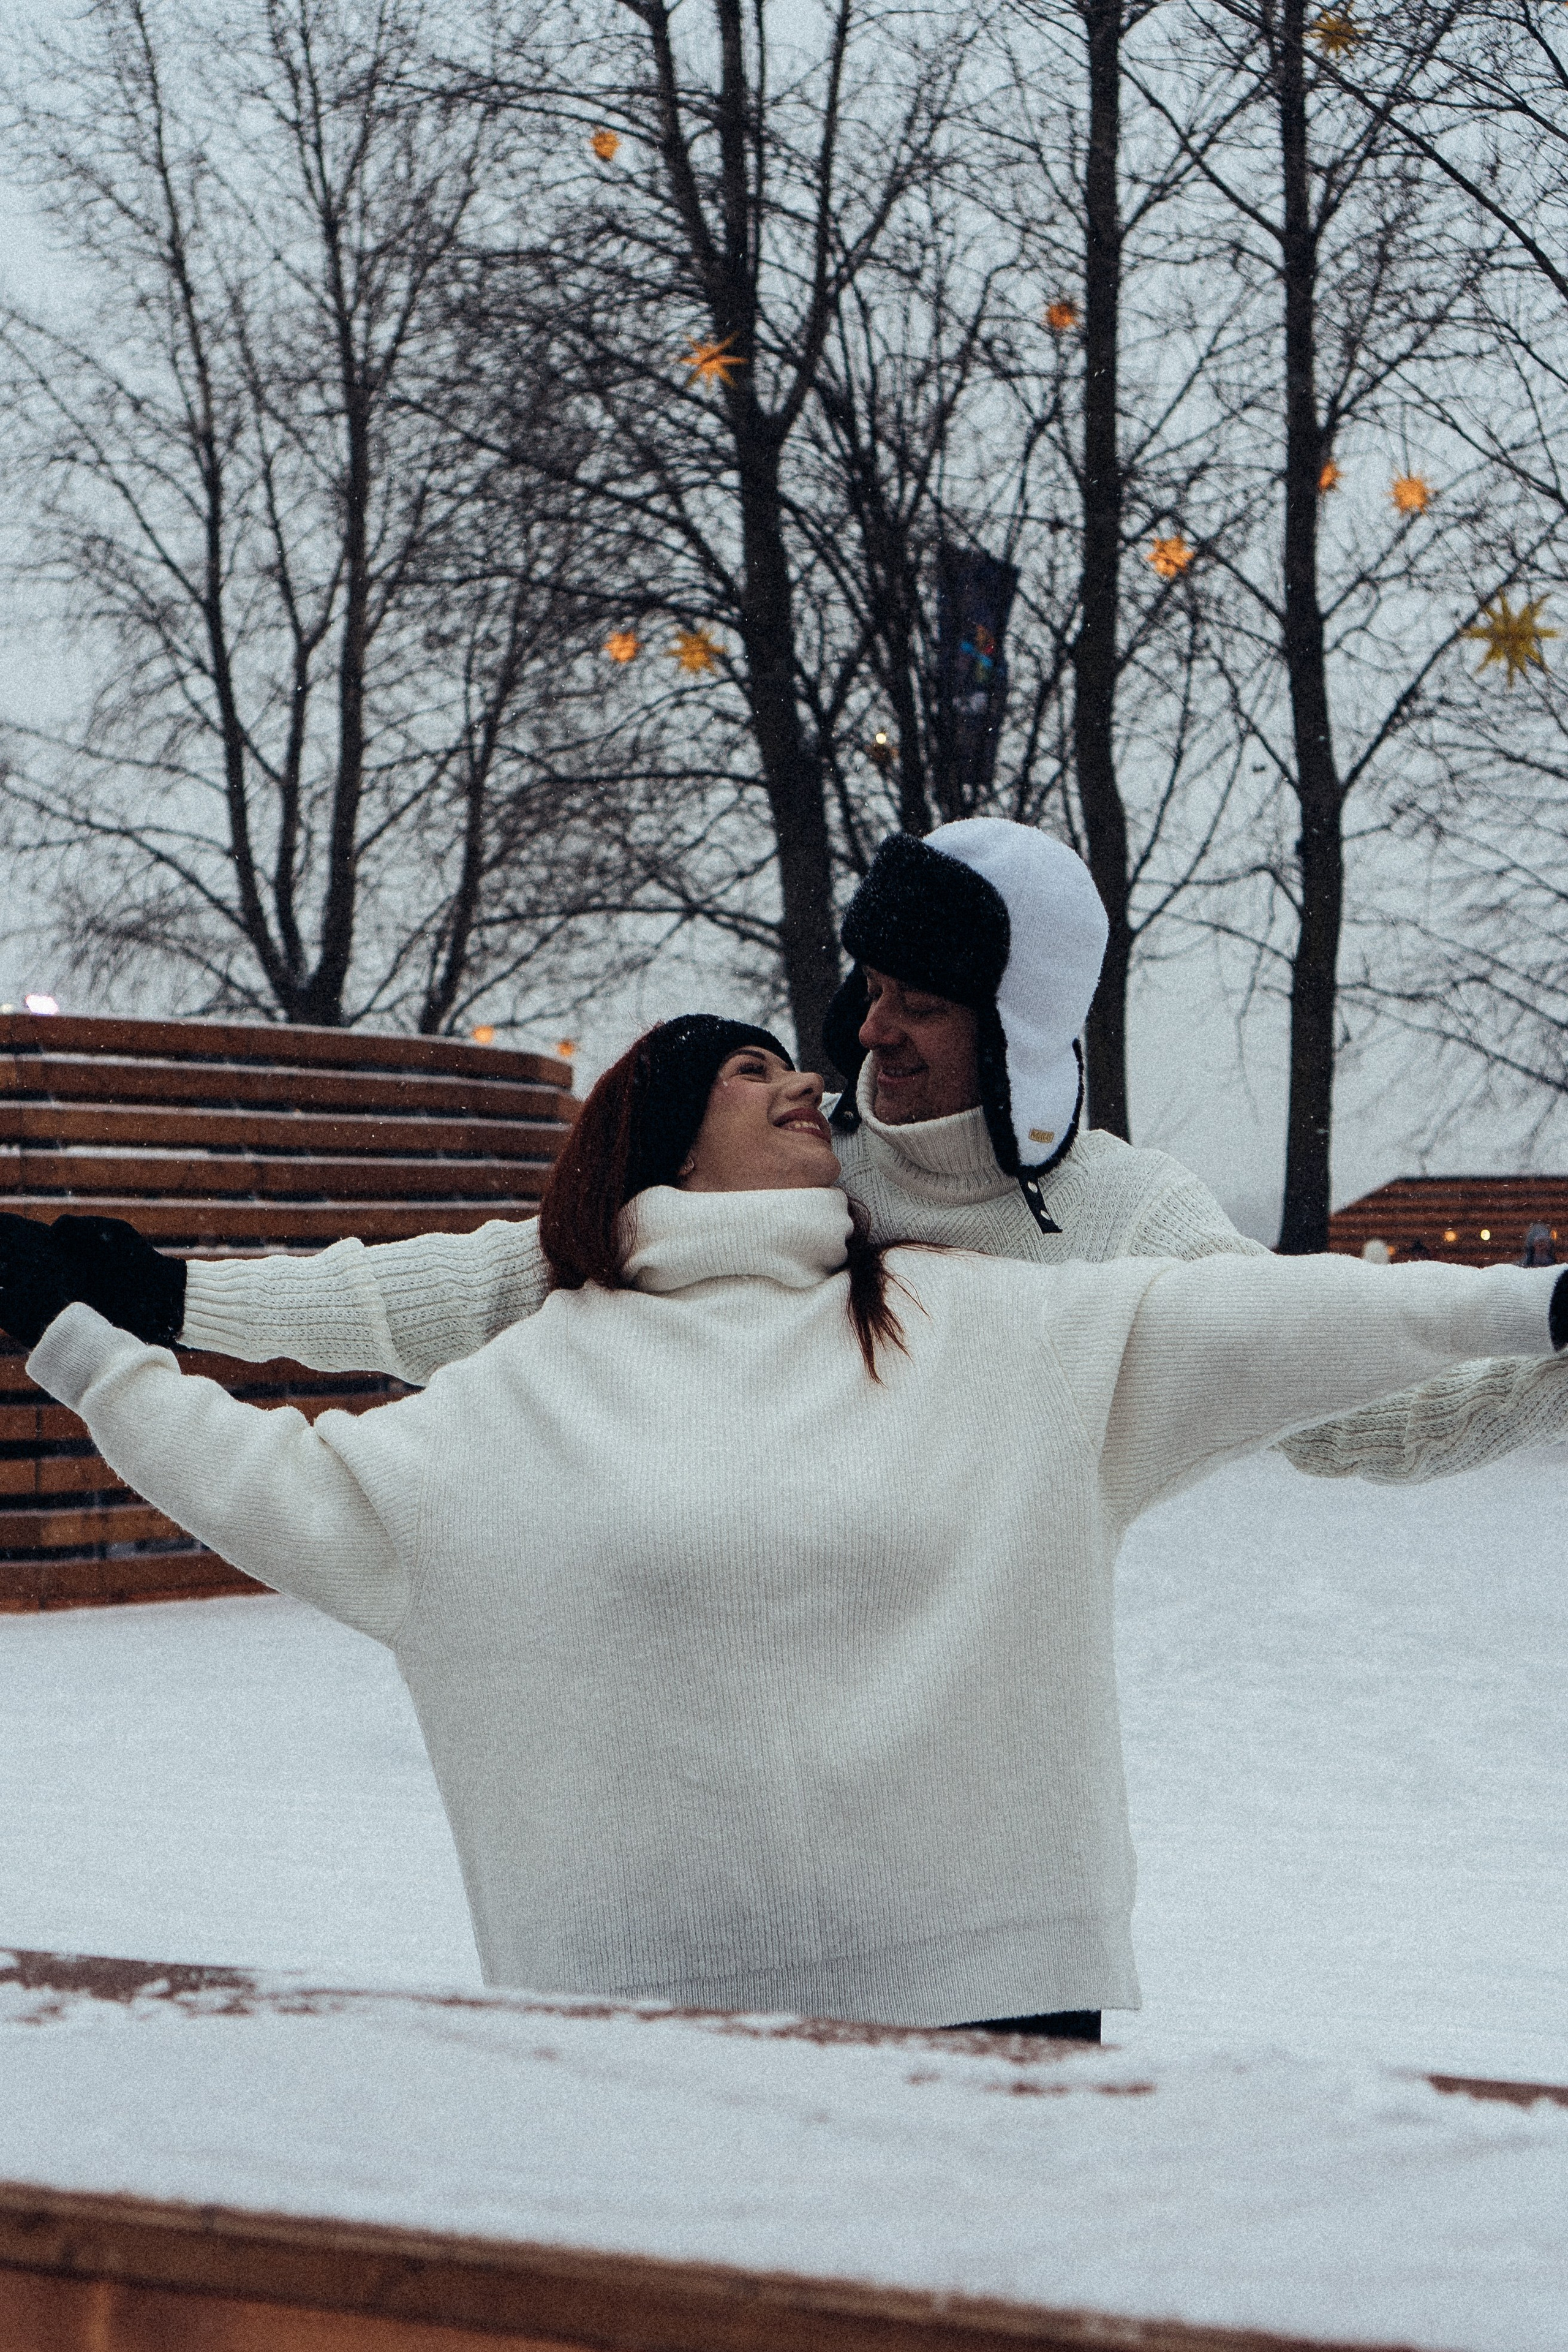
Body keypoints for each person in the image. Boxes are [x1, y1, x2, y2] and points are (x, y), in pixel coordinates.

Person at [5, 1016, 1566, 2035]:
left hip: (999, 2018)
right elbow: (284, 1476)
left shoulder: (992, 1336)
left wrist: (1535, 1305)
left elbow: (1277, 1318)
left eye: (787, 1066)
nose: (801, 1083)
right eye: (750, 1074)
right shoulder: (535, 1388)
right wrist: (90, 1339)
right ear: (661, 1139)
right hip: (655, 2044)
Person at [4, 818, 1567, 1487]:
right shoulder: (786, 1166)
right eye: (870, 984)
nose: (874, 1032)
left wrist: (1546, 1342)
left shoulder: (1123, 1217)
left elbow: (1341, 1407)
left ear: (1016, 1030)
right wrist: (179, 1297)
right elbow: (478, 1287)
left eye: (927, 1001)